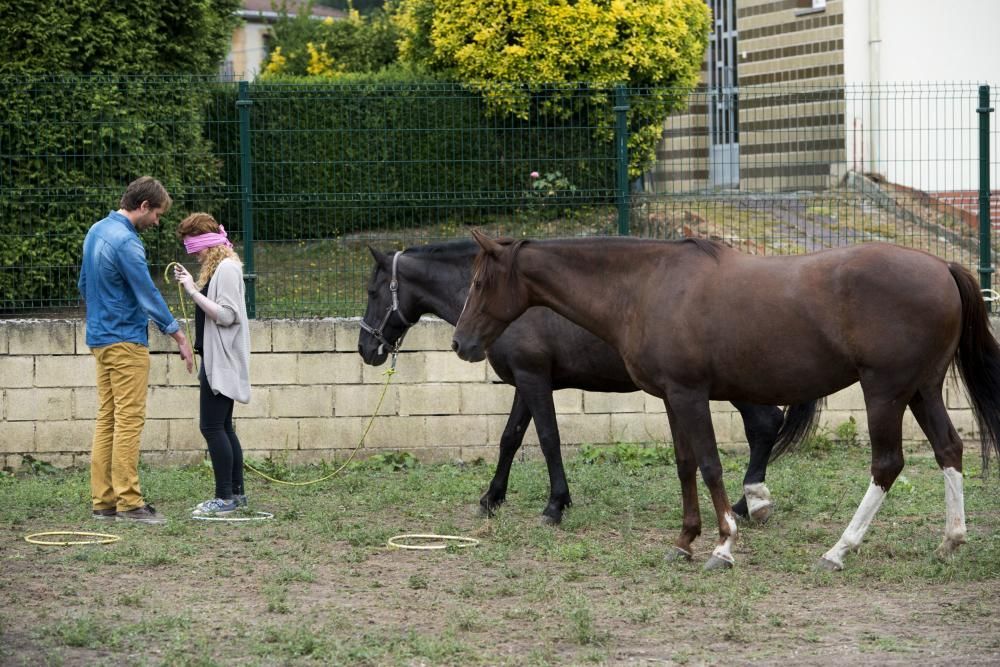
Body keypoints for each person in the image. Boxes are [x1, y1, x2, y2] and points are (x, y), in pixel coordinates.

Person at [78, 176, 195, 525]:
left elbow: (84, 284)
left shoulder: (95, 230)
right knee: (128, 421)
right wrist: (179, 336)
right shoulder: (127, 243)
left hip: (99, 338)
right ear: (143, 207)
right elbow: (148, 294)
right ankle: (129, 503)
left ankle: (103, 501)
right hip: (126, 342)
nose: (157, 222)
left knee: (107, 418)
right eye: (157, 214)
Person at [172, 212, 251, 517]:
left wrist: (192, 290)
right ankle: (236, 495)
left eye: (197, 249)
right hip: (216, 358)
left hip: (223, 361)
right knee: (223, 427)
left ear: (208, 244)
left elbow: (228, 315)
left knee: (211, 426)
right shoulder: (220, 269)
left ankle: (225, 498)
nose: (196, 256)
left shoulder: (228, 269)